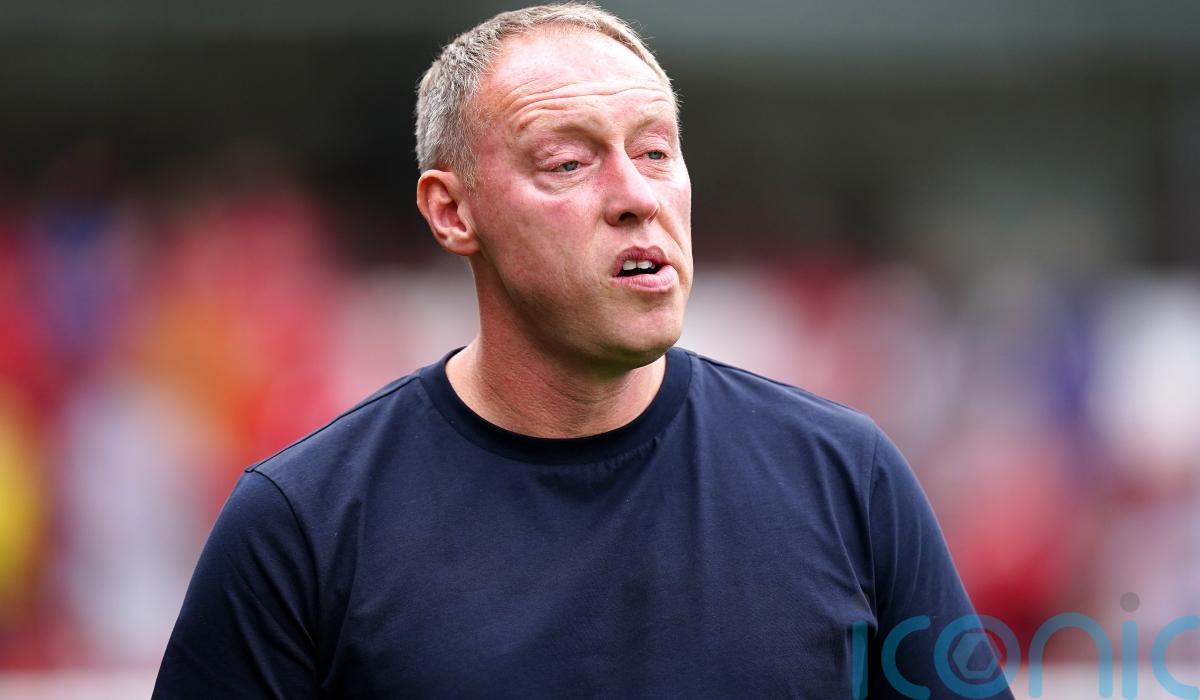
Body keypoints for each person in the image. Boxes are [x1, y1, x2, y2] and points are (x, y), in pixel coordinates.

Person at [154, 4, 1012, 698]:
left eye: (656, 151)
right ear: (452, 212)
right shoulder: (302, 522)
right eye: (568, 163)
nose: (637, 196)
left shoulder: (845, 476)